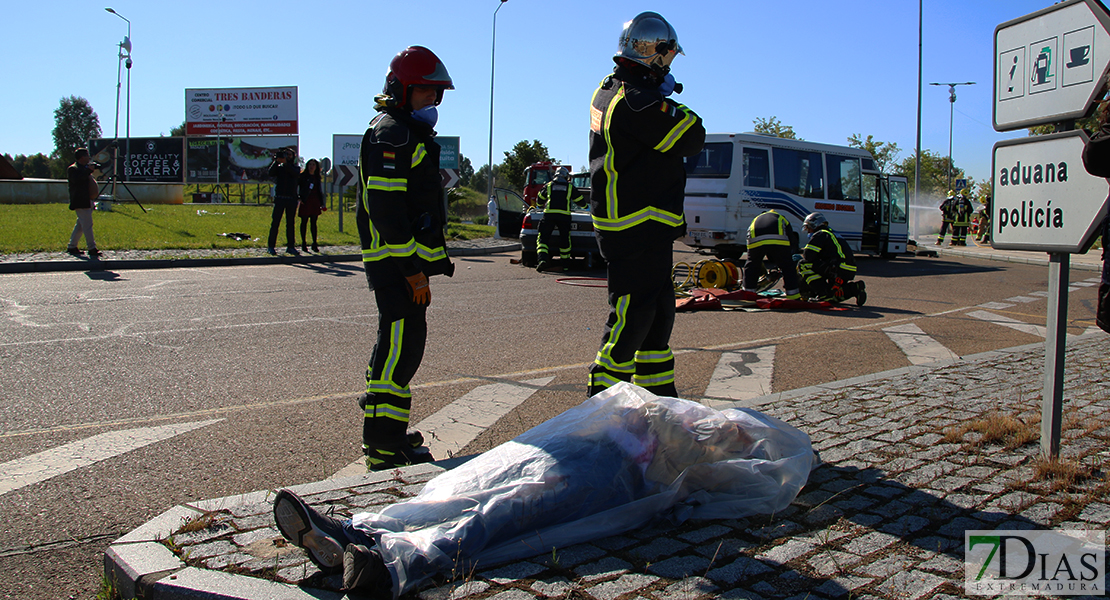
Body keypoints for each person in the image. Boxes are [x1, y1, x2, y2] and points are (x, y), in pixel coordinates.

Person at [272, 382, 815, 599]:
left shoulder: (708, 464)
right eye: (729, 425)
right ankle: (356, 532)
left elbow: (679, 478)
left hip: (599, 483)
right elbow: (639, 416)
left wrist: (697, 439)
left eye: (738, 435)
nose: (726, 428)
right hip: (580, 457)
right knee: (465, 490)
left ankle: (395, 566)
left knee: (503, 509)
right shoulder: (688, 430)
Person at [587, 11, 705, 398]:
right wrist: (668, 103)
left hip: (644, 222)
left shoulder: (612, 89)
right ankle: (600, 405)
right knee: (633, 316)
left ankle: (659, 401)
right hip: (635, 223)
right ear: (653, 54)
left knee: (657, 316)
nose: (669, 67)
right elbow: (692, 135)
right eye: (667, 58)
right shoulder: (636, 100)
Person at [356, 46, 455, 471]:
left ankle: (389, 434)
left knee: (399, 346)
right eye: (427, 93)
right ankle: (382, 445)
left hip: (405, 264)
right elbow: (388, 213)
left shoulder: (406, 132)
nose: (433, 102)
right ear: (402, 90)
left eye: (437, 95)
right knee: (400, 349)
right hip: (397, 265)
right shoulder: (391, 135)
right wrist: (412, 271)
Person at [798, 212, 867, 306]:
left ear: (815, 225)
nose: (808, 231)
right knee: (833, 296)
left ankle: (823, 293)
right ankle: (855, 288)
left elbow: (808, 256)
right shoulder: (833, 233)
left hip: (837, 268)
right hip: (848, 269)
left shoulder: (820, 234)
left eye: (808, 227)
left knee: (803, 264)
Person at [742, 209, 801, 299]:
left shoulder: (756, 218)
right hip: (778, 240)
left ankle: (748, 293)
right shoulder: (781, 218)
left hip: (755, 240)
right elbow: (791, 238)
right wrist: (787, 256)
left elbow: (749, 233)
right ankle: (793, 295)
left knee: (752, 264)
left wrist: (752, 257)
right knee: (787, 266)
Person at [534, 166, 583, 271]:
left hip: (549, 215)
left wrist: (539, 205)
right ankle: (565, 265)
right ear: (566, 176)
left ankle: (542, 260)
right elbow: (579, 200)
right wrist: (586, 207)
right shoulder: (570, 187)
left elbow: (540, 198)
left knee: (543, 238)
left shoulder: (548, 185)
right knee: (565, 239)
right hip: (564, 216)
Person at [66, 148, 101, 258]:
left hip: (87, 200)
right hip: (80, 200)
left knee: (80, 225)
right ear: (81, 157)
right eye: (87, 156)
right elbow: (77, 179)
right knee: (87, 225)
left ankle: (72, 246)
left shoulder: (84, 169)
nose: (89, 158)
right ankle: (92, 248)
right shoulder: (73, 169)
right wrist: (88, 171)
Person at [268, 149, 301, 255]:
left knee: (290, 224)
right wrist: (276, 161)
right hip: (280, 198)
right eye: (286, 155)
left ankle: (291, 246)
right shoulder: (279, 168)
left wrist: (286, 163)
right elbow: (270, 173)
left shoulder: (295, 168)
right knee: (275, 223)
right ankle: (271, 246)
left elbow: (294, 173)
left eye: (290, 155)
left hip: (291, 199)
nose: (288, 156)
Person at [298, 158, 325, 253]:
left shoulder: (317, 177)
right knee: (304, 222)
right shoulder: (302, 176)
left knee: (314, 223)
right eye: (310, 164)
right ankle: (303, 243)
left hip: (315, 201)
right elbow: (297, 187)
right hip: (305, 201)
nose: (311, 166)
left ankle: (314, 243)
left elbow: (319, 191)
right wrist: (299, 198)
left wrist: (322, 204)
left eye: (313, 165)